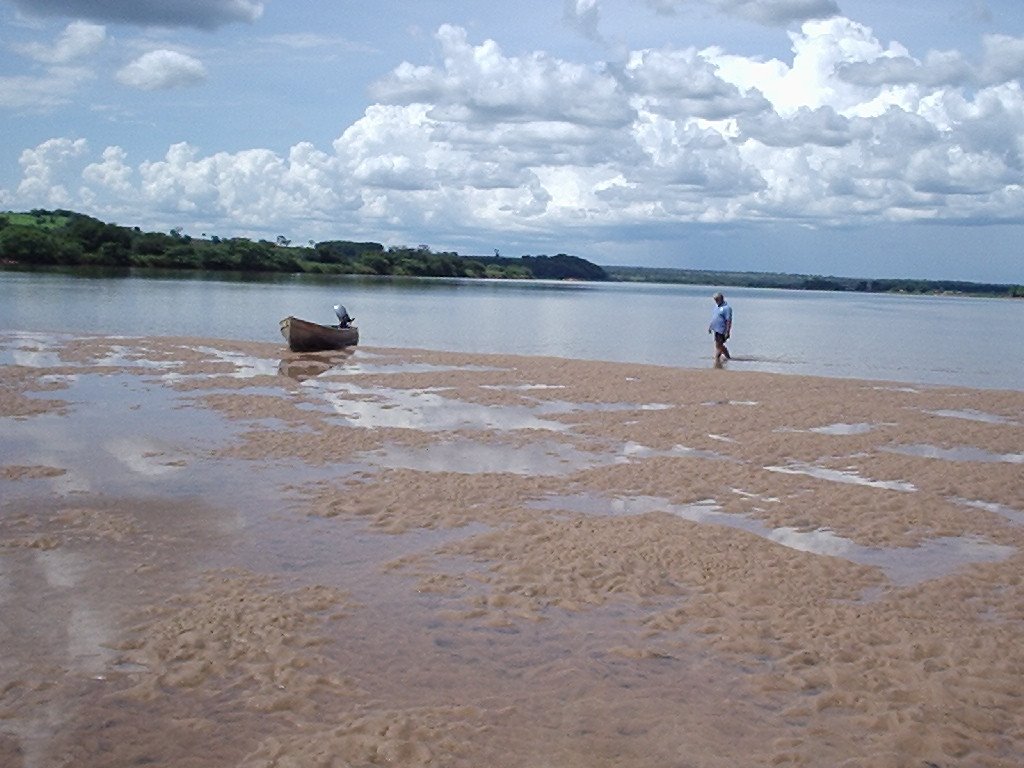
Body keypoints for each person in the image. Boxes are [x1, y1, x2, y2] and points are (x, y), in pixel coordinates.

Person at [708, 292, 732, 364]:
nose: (716, 301)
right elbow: (715, 317)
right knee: (719, 345)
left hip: (722, 329)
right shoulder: (717, 307)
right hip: (716, 328)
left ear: (721, 299)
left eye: (717, 300)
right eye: (715, 300)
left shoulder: (727, 308)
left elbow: (728, 320)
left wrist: (727, 331)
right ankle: (728, 357)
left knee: (719, 345)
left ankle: (717, 360)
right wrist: (710, 327)